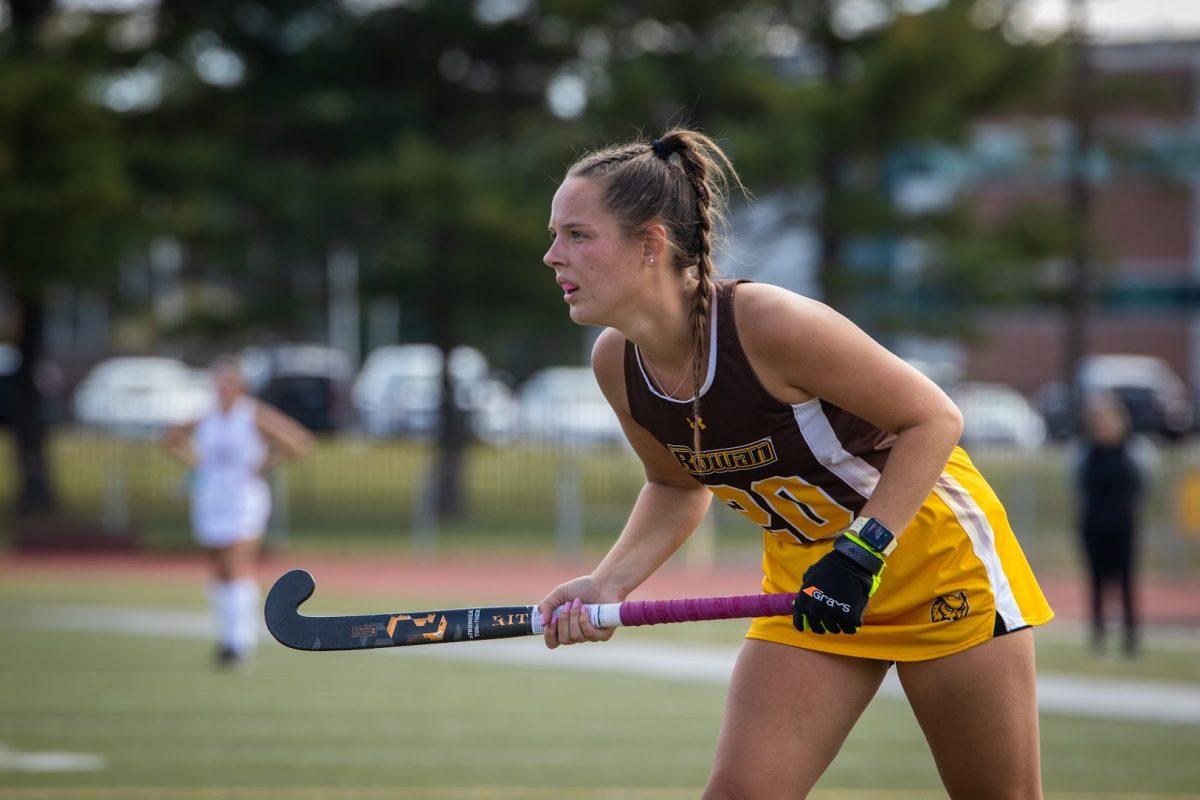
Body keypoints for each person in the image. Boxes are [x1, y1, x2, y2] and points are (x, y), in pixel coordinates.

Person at [537, 129, 1054, 798]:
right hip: (810, 589)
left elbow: (935, 420)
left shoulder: (768, 324)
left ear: (651, 245)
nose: (553, 256)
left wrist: (861, 554)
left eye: (578, 235)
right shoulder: (616, 363)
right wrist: (608, 583)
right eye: (555, 235)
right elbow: (674, 484)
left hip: (936, 569)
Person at [165, 358, 313, 667]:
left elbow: (298, 443)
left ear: (239, 387)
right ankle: (225, 637)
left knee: (237, 566)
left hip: (244, 499)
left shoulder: (252, 414)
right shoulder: (207, 417)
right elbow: (171, 438)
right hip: (210, 497)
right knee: (218, 570)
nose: (221, 389)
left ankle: (240, 642)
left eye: (227, 383)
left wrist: (265, 463)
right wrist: (195, 463)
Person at [1075, 391, 1150, 657]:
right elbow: (1077, 487)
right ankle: (1099, 635)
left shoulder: (1133, 451)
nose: (1102, 425)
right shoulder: (1085, 454)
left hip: (1123, 526)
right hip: (1094, 526)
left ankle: (1131, 637)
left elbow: (1144, 485)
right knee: (1096, 582)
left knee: (1126, 582)